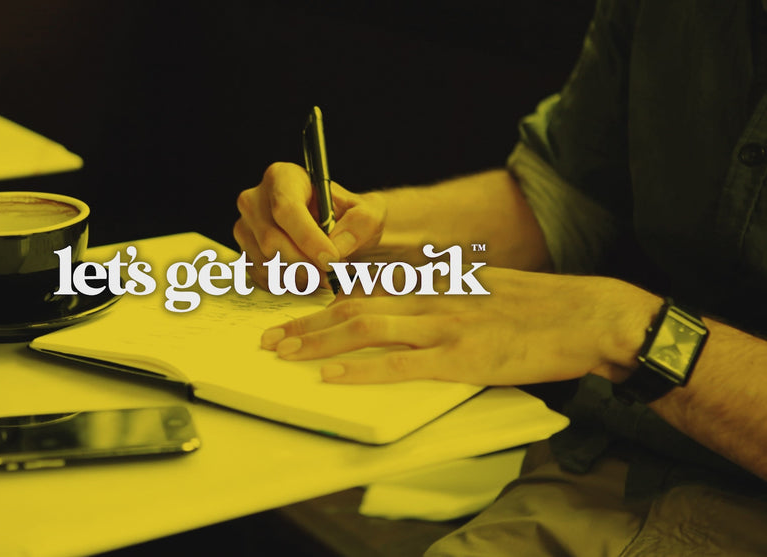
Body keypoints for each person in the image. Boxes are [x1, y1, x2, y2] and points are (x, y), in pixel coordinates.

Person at [234, 0, 767, 554]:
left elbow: (615, 318)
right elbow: (566, 198)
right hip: (611, 465)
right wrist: (352, 228)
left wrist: (634, 330)